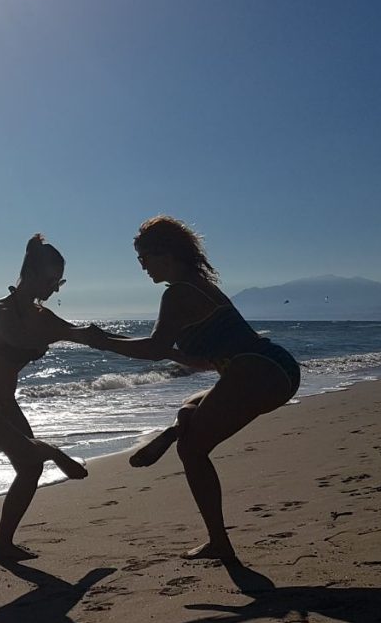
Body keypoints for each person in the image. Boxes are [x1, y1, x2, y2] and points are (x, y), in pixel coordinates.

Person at [85, 216, 301, 563]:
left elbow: (154, 349)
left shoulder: (179, 293)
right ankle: (175, 428)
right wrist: (115, 341)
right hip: (274, 368)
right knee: (188, 407)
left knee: (193, 450)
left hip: (255, 370)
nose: (142, 267)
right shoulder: (200, 285)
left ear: (166, 254)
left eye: (144, 258)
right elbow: (199, 360)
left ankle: (219, 541)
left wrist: (104, 343)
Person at [0, 234, 99, 563]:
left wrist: (139, 347)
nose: (56, 288)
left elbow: (77, 333)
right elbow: (20, 339)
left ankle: (3, 546)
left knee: (29, 469)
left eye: (59, 281)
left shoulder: (41, 315)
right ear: (31, 274)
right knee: (33, 453)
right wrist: (56, 333)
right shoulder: (0, 312)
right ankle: (57, 454)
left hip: (4, 404)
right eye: (52, 280)